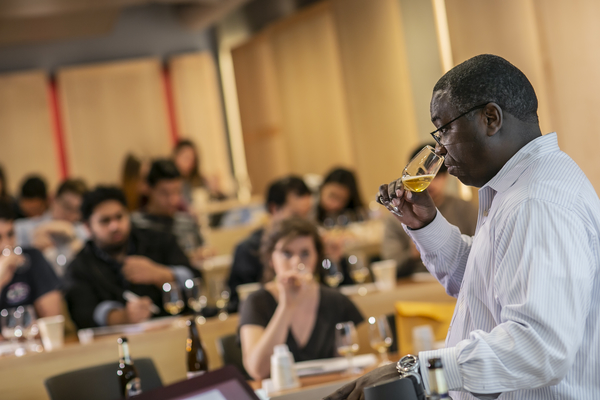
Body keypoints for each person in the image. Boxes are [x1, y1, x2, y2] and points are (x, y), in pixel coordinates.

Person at [326, 54, 600, 399]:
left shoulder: (536, 201)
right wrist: (426, 224)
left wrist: (417, 372)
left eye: (444, 128)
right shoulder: (519, 188)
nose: (439, 147)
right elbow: (480, 282)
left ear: (490, 118)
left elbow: (539, 347)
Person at [239, 217, 364, 380]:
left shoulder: (336, 301)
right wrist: (286, 306)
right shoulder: (256, 302)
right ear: (271, 259)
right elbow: (257, 371)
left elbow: (354, 365)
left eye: (305, 253)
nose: (296, 262)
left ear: (317, 257)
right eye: (286, 253)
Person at [63, 186, 199, 329]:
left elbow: (196, 281)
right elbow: (82, 313)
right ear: (88, 227)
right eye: (105, 221)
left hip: (175, 330)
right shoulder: (80, 267)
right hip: (112, 345)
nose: (114, 226)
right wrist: (121, 316)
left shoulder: (158, 240)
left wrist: (161, 274)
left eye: (119, 217)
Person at [381, 144, 477, 277]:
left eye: (436, 175)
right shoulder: (398, 214)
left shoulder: (465, 209)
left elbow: (481, 254)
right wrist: (412, 253)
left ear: (446, 177)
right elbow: (390, 267)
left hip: (461, 279)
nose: (429, 182)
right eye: (421, 174)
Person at [227, 176, 313, 312]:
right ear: (274, 209)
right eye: (296, 215)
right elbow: (239, 302)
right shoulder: (248, 249)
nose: (303, 224)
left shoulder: (310, 246)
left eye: (306, 216)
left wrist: (334, 260)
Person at [130, 159, 205, 264]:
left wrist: (204, 254)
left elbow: (204, 250)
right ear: (148, 189)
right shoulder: (135, 225)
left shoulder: (188, 222)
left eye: (176, 191)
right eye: (164, 193)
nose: (173, 200)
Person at [0, 201, 62, 318]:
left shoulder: (32, 259)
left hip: (31, 335)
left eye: (10, 234)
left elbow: (52, 319)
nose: (6, 245)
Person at [14, 179, 88, 276]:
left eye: (77, 210)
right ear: (53, 199)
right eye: (66, 206)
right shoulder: (23, 227)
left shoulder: (83, 232)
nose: (71, 215)